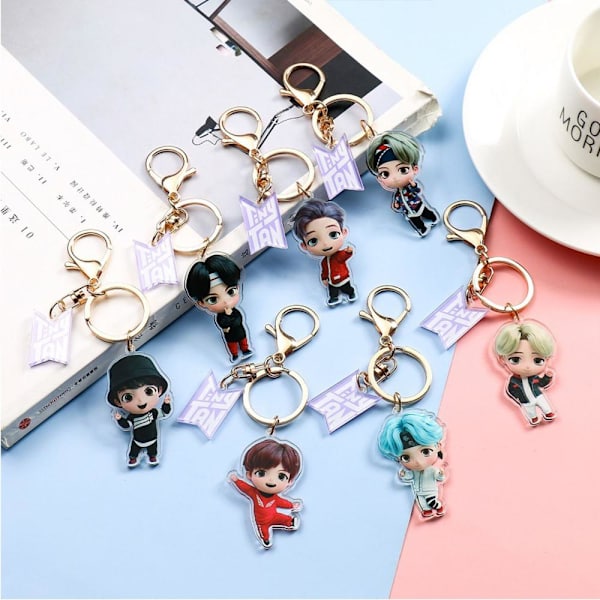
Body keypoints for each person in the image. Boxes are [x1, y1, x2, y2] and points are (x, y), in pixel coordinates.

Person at [228, 438, 303, 548]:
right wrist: (236, 481)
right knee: (264, 531)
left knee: (283, 518)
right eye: (261, 473)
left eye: (281, 476)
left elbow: (283, 502)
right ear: (249, 475)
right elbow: (244, 487)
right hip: (261, 521)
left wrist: (292, 505)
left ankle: (290, 522)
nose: (271, 480)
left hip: (274, 516)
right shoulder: (254, 493)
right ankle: (266, 539)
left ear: (290, 481)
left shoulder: (275, 498)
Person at [366, 131, 439, 237]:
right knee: (416, 222)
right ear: (379, 179)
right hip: (408, 211)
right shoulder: (397, 194)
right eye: (385, 174)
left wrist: (413, 186)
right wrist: (396, 205)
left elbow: (417, 190)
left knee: (426, 212)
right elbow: (398, 202)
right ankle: (422, 229)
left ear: (415, 169)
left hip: (418, 205)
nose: (395, 178)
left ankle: (433, 217)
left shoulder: (410, 186)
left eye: (403, 170)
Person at [106, 353, 172, 467]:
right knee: (134, 450)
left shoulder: (154, 413)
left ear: (159, 390)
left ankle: (152, 456)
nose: (141, 401)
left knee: (153, 450)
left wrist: (166, 404)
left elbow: (164, 412)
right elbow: (127, 425)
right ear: (118, 402)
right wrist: (120, 419)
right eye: (128, 397)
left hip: (153, 439)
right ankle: (133, 458)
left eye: (149, 391)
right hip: (137, 441)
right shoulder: (132, 417)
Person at [378, 411, 446, 519]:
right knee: (421, 502)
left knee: (431, 500)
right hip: (418, 491)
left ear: (437, 446)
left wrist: (441, 474)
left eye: (425, 451)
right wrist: (403, 475)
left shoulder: (432, 470)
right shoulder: (413, 472)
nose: (418, 462)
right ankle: (427, 510)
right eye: (406, 457)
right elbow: (409, 477)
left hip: (431, 490)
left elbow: (439, 477)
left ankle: (438, 507)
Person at [291, 198, 357, 307]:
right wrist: (324, 278)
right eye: (313, 241)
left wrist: (348, 251)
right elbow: (324, 271)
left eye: (333, 234)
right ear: (304, 246)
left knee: (347, 288)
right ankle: (333, 298)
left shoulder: (339, 255)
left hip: (343, 278)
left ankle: (351, 293)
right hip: (332, 282)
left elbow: (344, 256)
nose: (326, 244)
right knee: (333, 291)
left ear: (344, 232)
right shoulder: (324, 262)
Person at [185, 254, 251, 361]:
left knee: (243, 340)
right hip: (230, 337)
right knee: (232, 345)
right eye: (213, 299)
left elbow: (239, 319)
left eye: (231, 291)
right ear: (201, 303)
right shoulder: (220, 317)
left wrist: (231, 319)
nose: (225, 301)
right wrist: (228, 319)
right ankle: (234, 354)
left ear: (238, 288)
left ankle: (245, 349)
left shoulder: (235, 312)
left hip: (240, 332)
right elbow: (222, 323)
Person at [494, 320, 556, 426]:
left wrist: (547, 377)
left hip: (537, 395)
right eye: (515, 359)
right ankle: (533, 418)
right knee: (530, 410)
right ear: (502, 359)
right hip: (525, 400)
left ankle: (548, 413)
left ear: (547, 359)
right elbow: (511, 390)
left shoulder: (534, 377)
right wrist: (519, 397)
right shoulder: (513, 380)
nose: (527, 367)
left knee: (544, 404)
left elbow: (542, 383)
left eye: (537, 360)